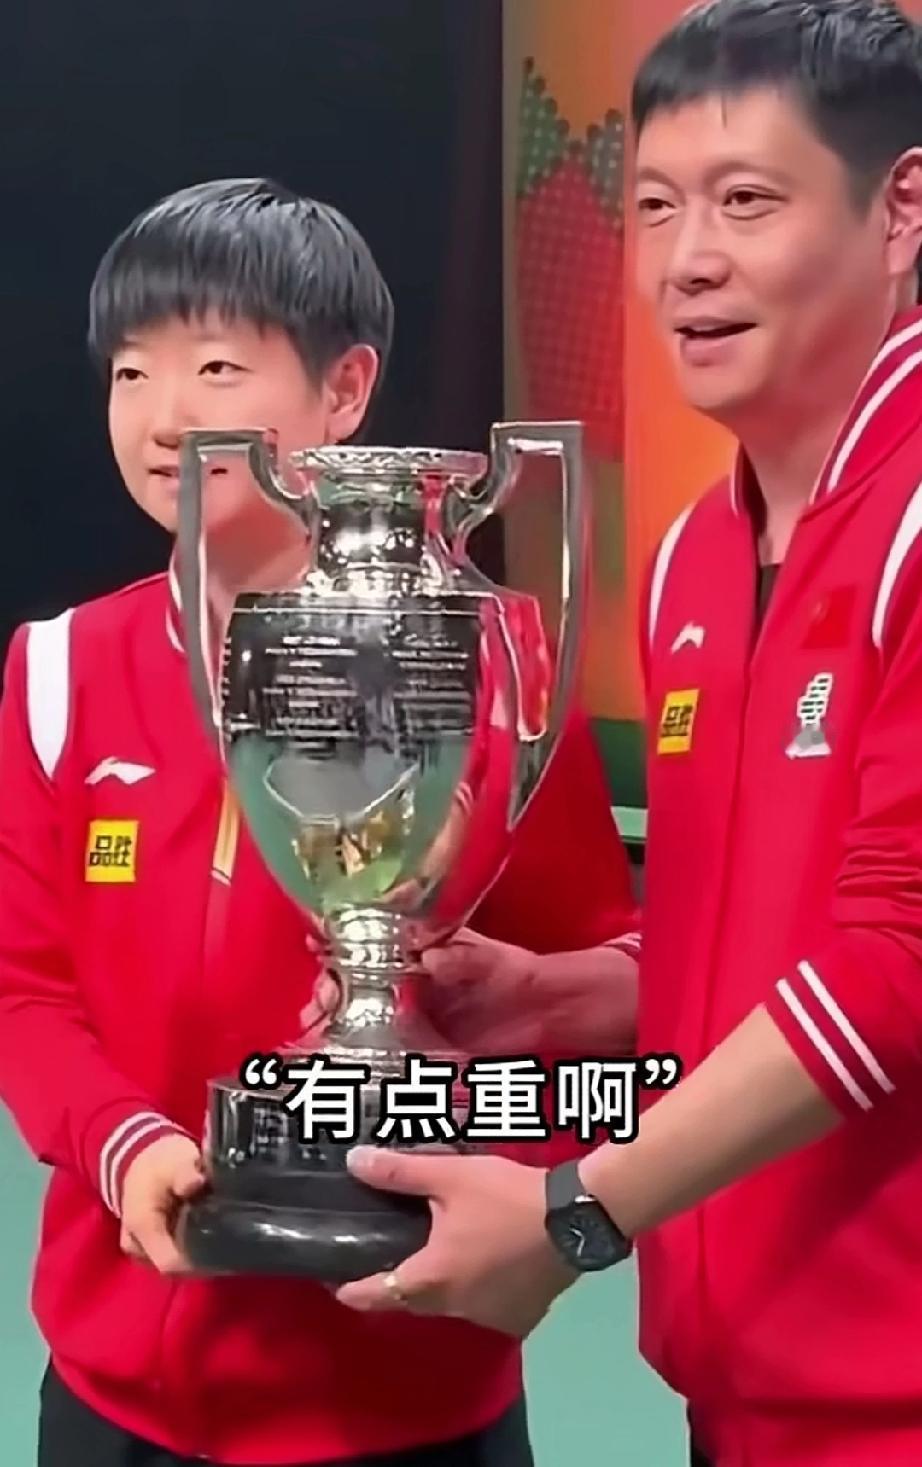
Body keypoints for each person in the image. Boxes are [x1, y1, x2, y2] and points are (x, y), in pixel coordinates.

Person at [328, 4, 922, 1464]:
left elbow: (899, 961)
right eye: (653, 206)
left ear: (901, 209)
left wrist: (575, 1213)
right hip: (738, 1392)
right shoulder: (688, 562)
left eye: (746, 200)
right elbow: (753, 933)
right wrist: (566, 997)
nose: (685, 260)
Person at [0, 177, 640, 1466]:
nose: (164, 417)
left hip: (409, 1397)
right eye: (130, 373)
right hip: (118, 1395)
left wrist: (511, 1184)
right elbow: (26, 993)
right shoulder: (59, 669)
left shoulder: (487, 666)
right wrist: (124, 1147)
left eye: (216, 367)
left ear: (345, 391)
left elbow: (608, 987)